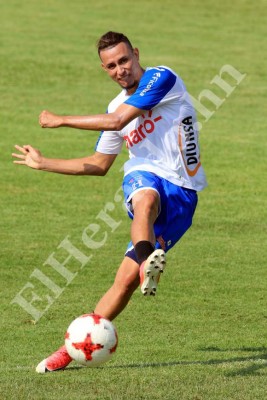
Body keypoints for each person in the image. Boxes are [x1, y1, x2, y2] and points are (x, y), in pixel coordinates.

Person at [12, 31, 207, 373]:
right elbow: (100, 164)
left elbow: (118, 122)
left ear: (135, 53)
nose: (120, 70)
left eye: (124, 60)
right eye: (111, 66)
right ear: (104, 69)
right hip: (146, 176)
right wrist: (44, 164)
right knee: (144, 197)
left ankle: (143, 267)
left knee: (125, 283)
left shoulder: (161, 77)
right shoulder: (113, 107)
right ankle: (70, 349)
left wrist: (61, 120)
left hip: (183, 193)